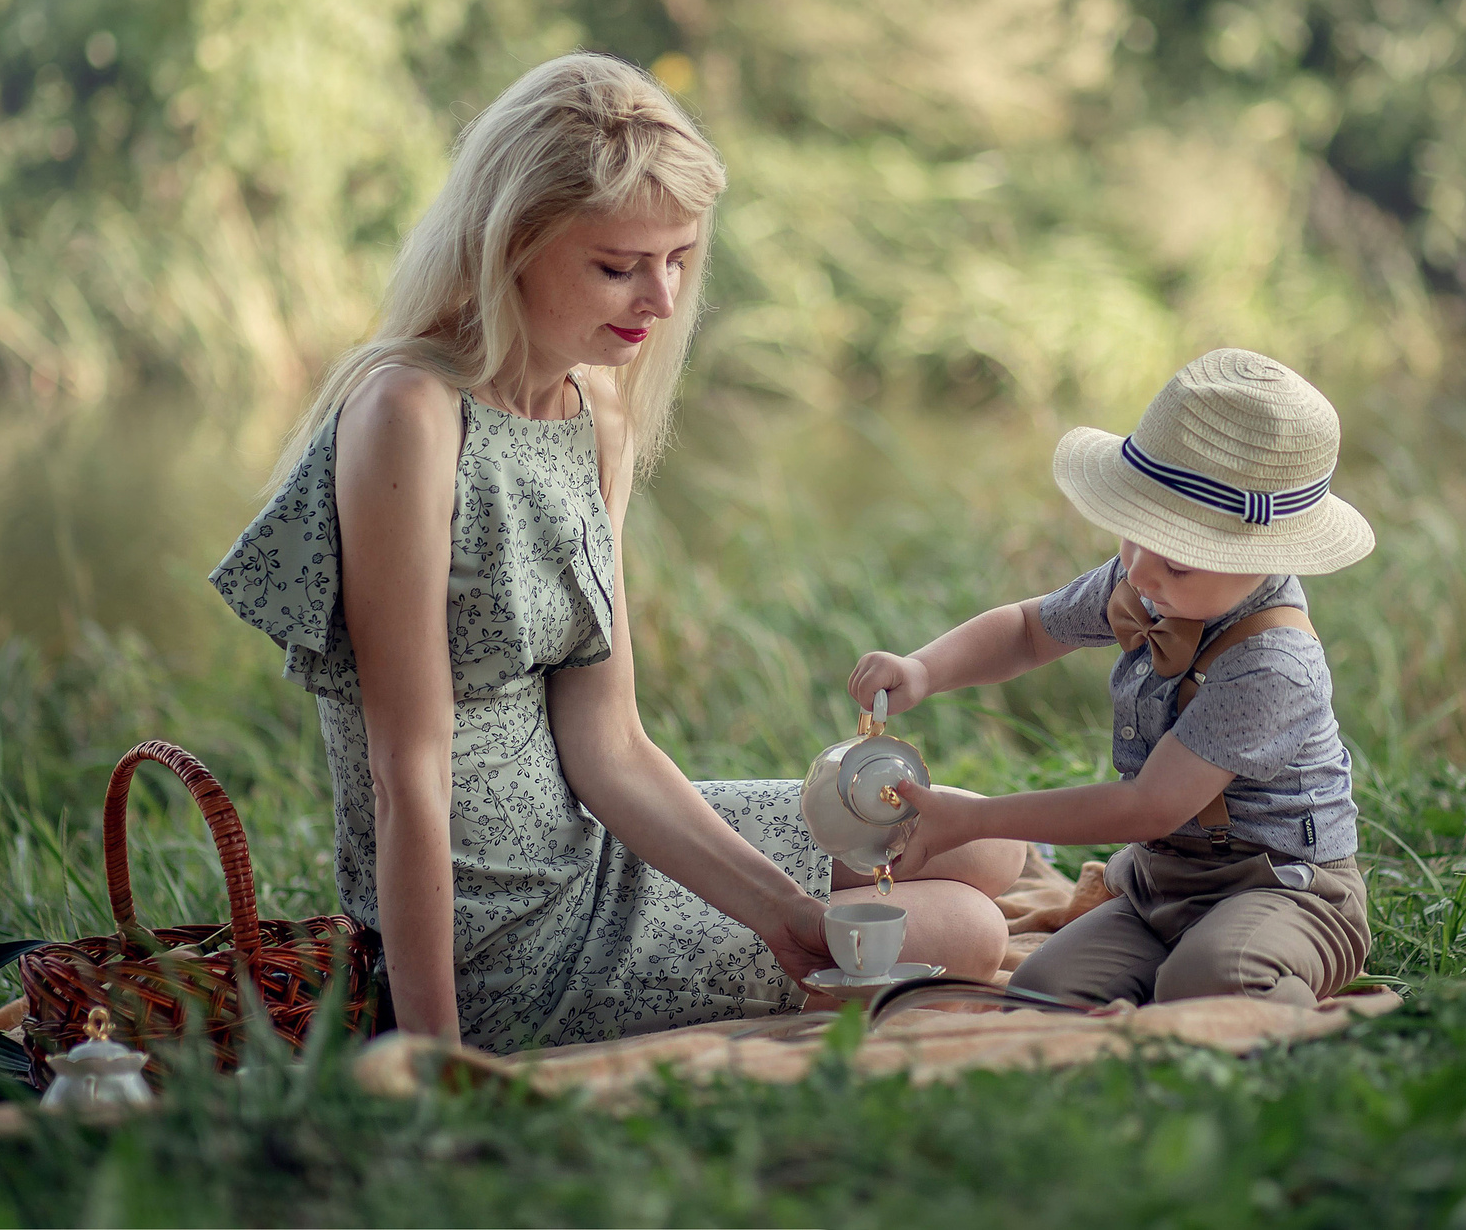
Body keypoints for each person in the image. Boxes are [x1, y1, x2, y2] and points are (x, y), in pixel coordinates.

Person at [210, 54, 1015, 1051]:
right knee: (971, 931)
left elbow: (611, 749)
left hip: (591, 850)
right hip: (499, 942)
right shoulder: (408, 414)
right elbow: (402, 774)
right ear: (511, 243)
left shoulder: (595, 415)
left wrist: (783, 916)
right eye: (619, 264)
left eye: (679, 257)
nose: (663, 297)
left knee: (987, 846)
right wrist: (434, 1052)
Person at [849, 347, 1376, 1009]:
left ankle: (1270, 1016)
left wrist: (978, 819)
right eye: (1134, 535)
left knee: (1213, 984)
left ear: (1266, 554)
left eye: (1179, 561)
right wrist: (924, 668)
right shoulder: (1146, 581)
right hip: (1165, 883)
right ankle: (1175, 968)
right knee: (1047, 990)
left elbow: (1147, 804)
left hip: (1285, 889)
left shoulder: (1273, 663)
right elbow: (1027, 628)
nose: (1142, 572)